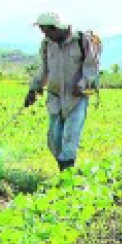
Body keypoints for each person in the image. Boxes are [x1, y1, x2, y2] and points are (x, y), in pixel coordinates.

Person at [23, 12, 101, 171]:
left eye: (46, 31)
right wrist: (34, 89)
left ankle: (67, 176)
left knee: (70, 138)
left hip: (76, 98)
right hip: (55, 97)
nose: (44, 35)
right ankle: (64, 170)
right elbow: (44, 69)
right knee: (54, 140)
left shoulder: (81, 40)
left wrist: (82, 84)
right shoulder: (47, 44)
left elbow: (92, 66)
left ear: (55, 28)